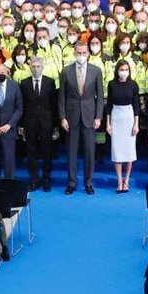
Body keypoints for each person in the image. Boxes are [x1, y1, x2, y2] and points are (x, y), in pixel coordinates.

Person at [60, 41, 105, 194]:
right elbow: (62, 97)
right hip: (71, 116)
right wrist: (62, 117)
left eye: (84, 53)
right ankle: (71, 182)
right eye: (78, 53)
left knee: (89, 152)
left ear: (88, 54)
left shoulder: (96, 71)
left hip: (89, 116)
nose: (81, 56)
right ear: (74, 53)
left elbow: (100, 96)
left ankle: (88, 183)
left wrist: (99, 116)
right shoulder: (66, 71)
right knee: (71, 152)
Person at [19, 56, 57, 191]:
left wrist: (55, 124)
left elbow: (54, 105)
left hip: (46, 122)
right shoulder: (24, 83)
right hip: (30, 122)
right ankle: (34, 179)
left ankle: (47, 179)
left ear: (42, 67)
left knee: (47, 151)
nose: (36, 69)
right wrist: (21, 125)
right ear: (30, 68)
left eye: (38, 66)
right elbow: (22, 105)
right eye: (33, 67)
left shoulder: (50, 82)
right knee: (31, 152)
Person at [105, 60, 139, 193]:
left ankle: (127, 180)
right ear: (117, 70)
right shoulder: (111, 84)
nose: (124, 72)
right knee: (117, 150)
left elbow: (136, 105)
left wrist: (136, 123)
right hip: (116, 116)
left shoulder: (133, 84)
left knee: (129, 150)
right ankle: (119, 180)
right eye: (121, 69)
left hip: (129, 116)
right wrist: (108, 123)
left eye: (126, 69)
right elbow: (109, 105)